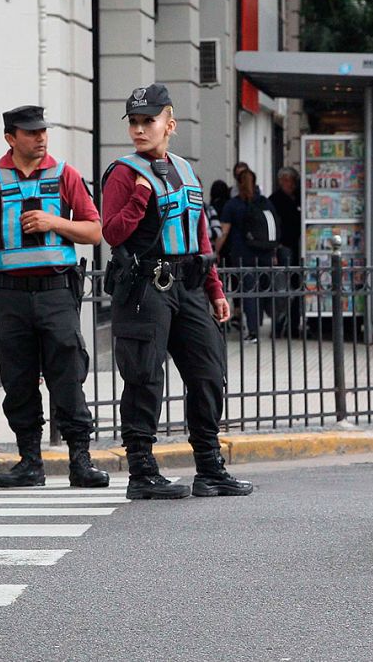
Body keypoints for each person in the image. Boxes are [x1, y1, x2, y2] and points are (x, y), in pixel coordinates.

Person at [0, 105, 109, 489]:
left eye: (43, 131)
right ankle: (29, 462)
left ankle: (80, 461)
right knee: (17, 377)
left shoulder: (65, 174)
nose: (41, 138)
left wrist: (55, 223)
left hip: (56, 292)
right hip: (10, 296)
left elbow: (94, 231)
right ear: (10, 138)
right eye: (31, 132)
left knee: (67, 373)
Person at [101, 84, 252, 500]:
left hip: (188, 283)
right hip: (144, 285)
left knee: (208, 373)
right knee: (145, 377)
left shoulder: (186, 170)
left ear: (169, 125)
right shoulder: (123, 172)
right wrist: (138, 198)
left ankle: (210, 467)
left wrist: (215, 289)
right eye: (133, 122)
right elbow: (111, 232)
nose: (138, 129)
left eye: (147, 121)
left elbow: (201, 235)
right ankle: (142, 471)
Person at [216, 168, 279, 342]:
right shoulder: (264, 202)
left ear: (237, 183)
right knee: (264, 291)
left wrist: (215, 251)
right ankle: (267, 325)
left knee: (249, 292)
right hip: (265, 253)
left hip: (243, 254)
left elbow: (224, 232)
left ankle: (253, 332)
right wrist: (273, 252)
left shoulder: (233, 205)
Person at [269, 165, 304, 335]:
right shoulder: (275, 199)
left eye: (290, 181)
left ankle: (294, 324)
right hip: (284, 247)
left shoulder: (299, 197)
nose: (287, 184)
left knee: (298, 287)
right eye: (284, 181)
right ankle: (279, 325)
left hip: (299, 247)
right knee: (282, 290)